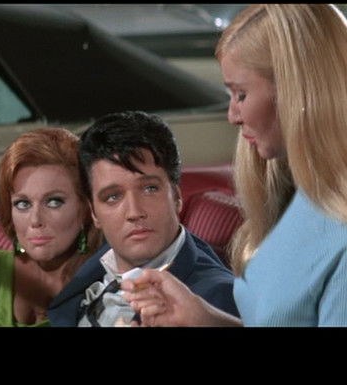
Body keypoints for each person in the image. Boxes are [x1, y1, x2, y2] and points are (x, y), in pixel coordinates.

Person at [122, 4, 347, 327]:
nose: (232, 116)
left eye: (241, 94)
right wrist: (200, 318)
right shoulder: (302, 199)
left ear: (297, 92)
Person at [47, 111, 238, 327]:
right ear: (94, 213)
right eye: (112, 197)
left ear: (177, 197)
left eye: (149, 189)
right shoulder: (100, 260)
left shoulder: (215, 298)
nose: (134, 212)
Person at [0, 128, 102, 326]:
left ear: (86, 208)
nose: (35, 220)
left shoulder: (103, 282)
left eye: (54, 202)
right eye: (23, 204)